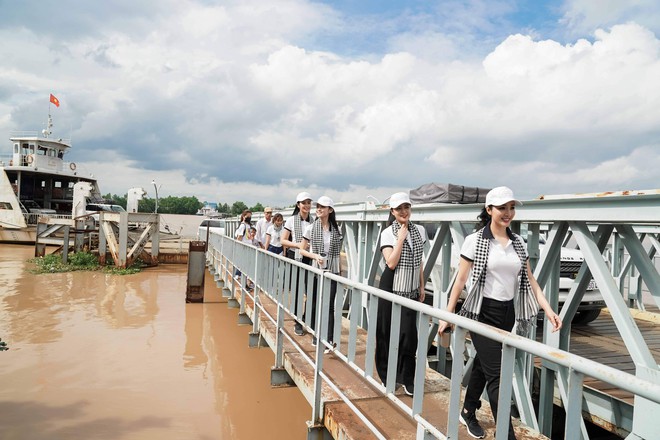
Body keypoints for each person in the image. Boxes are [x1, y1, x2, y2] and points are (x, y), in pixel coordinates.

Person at [437, 186, 562, 439]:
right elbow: (459, 281)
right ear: (489, 210)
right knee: (498, 377)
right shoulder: (475, 241)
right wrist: (446, 315)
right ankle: (507, 435)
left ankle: (468, 410)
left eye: (511, 208)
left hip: (508, 312)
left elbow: (530, 279)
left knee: (484, 366)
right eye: (502, 208)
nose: (508, 213)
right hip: (482, 312)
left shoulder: (517, 242)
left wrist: (548, 309)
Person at [375, 192, 427, 397]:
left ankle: (407, 379)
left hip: (411, 287)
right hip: (392, 286)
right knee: (388, 333)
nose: (404, 211)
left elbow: (419, 260)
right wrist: (400, 240)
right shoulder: (388, 233)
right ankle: (388, 375)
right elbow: (390, 263)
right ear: (392, 212)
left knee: (409, 336)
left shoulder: (420, 231)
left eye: (407, 207)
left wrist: (422, 286)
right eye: (399, 209)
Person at [299, 196, 343, 350]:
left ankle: (328, 338)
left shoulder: (336, 229)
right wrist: (315, 256)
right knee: (317, 302)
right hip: (316, 270)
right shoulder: (311, 228)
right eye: (317, 206)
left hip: (333, 270)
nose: (318, 209)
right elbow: (301, 249)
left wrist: (341, 272)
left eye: (322, 207)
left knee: (329, 305)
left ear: (330, 210)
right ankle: (317, 335)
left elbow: (337, 253)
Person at [281, 192, 314, 336]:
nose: (306, 205)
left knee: (311, 290)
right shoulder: (291, 220)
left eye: (308, 202)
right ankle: (297, 320)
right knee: (297, 289)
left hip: (309, 258)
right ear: (298, 205)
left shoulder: (314, 221)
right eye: (303, 203)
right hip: (295, 257)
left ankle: (306, 317)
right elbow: (283, 240)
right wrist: (298, 245)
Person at [234, 209, 253, 279]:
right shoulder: (243, 225)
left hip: (248, 245)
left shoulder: (247, 225)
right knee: (243, 260)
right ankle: (238, 274)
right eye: (248, 216)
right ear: (244, 216)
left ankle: (241, 274)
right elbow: (240, 236)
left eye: (250, 217)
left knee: (246, 261)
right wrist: (238, 246)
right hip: (244, 246)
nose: (249, 218)